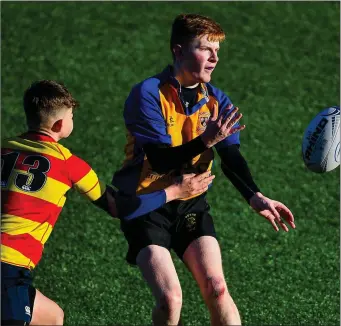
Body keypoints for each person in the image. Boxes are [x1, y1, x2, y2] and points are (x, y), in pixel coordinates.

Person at [112, 13, 296, 326]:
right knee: (171, 299)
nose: (214, 58)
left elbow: (231, 156)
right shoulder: (147, 94)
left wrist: (256, 196)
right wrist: (205, 140)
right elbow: (159, 160)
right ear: (178, 50)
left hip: (191, 205)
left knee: (217, 287)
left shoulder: (217, 100)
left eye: (217, 51)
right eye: (205, 49)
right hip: (147, 204)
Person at [1, 80, 215, 326]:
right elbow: (119, 207)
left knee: (53, 317)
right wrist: (174, 191)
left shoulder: (4, 149)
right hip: (9, 266)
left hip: (11, 270)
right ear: (60, 125)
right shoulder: (68, 164)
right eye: (72, 116)